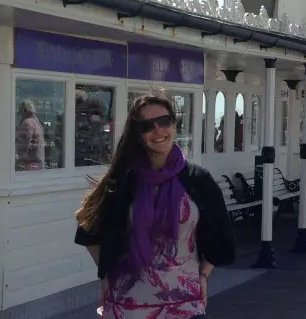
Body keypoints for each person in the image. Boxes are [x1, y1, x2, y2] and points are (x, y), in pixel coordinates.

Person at [73, 91, 235, 319]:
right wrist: (107, 276)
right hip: (128, 305)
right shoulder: (123, 181)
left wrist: (203, 275)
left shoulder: (198, 180)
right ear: (138, 134)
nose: (158, 130)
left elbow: (222, 236)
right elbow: (88, 233)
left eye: (164, 121)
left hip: (184, 306)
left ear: (174, 125)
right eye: (147, 126)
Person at [15, 100, 45, 171]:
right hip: (37, 165)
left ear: (25, 111)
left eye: (22, 112)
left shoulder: (27, 123)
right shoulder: (37, 123)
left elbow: (23, 147)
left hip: (28, 165)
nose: (21, 115)